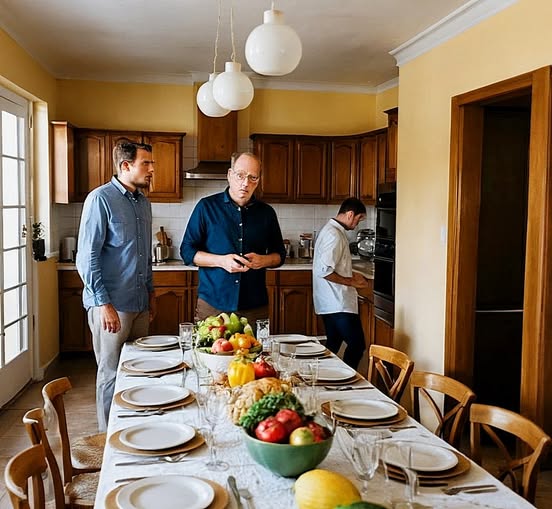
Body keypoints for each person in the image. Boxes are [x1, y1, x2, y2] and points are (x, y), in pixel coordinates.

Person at [76, 139, 157, 431]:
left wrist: (151, 294)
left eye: (152, 164)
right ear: (125, 165)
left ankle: (133, 429)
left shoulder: (143, 204)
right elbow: (87, 257)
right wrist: (103, 304)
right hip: (112, 306)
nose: (151, 170)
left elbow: (143, 255)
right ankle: (108, 436)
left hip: (139, 303)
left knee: (138, 371)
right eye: (145, 164)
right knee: (110, 373)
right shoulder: (100, 199)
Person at [180, 152, 286, 326]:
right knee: (209, 352)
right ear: (230, 175)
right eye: (240, 175)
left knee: (255, 353)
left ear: (258, 181)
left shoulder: (267, 213)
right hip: (213, 305)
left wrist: (263, 260)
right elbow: (187, 252)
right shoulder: (206, 207)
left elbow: (279, 255)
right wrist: (221, 261)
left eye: (253, 177)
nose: (246, 183)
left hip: (254, 305)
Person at [312, 197, 370, 369]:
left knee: (333, 343)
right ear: (350, 214)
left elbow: (335, 265)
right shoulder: (334, 235)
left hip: (330, 301)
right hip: (337, 302)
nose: (358, 223)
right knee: (357, 346)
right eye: (359, 218)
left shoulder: (332, 231)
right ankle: (345, 380)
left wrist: (352, 274)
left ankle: (319, 376)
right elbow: (324, 271)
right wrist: (351, 281)